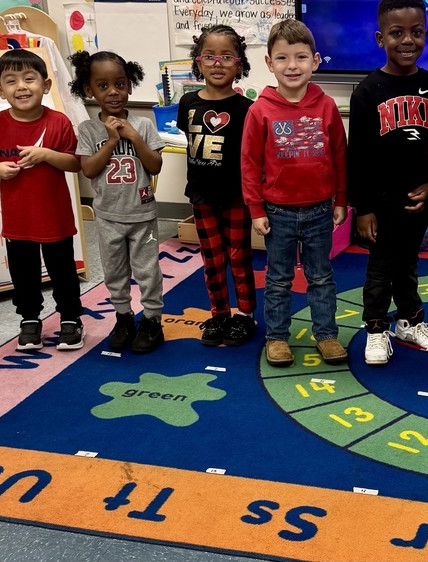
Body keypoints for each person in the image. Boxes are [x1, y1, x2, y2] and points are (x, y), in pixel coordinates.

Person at [348, 0, 428, 366]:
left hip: (418, 199)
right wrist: (362, 209)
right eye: (396, 33)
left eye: (417, 32)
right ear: (381, 39)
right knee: (380, 268)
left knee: (407, 265)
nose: (408, 41)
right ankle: (376, 328)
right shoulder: (366, 92)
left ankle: (409, 322)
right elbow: (356, 156)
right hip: (379, 203)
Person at [241, 19, 348, 368]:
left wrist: (341, 200)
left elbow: (340, 156)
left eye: (301, 57)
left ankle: (326, 334)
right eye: (283, 58)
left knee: (321, 277)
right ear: (269, 63)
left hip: (320, 210)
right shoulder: (261, 110)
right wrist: (256, 209)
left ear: (315, 61)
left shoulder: (327, 106)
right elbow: (249, 163)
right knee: (279, 279)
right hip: (278, 213)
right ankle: (276, 338)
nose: (292, 66)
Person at [0, 49, 84, 352]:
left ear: (45, 86)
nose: (21, 86)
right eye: (11, 81)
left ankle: (71, 318)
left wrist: (46, 154)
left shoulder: (59, 122)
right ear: (0, 90)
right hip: (17, 220)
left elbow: (75, 163)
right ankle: (30, 319)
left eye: (29, 79)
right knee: (24, 274)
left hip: (55, 217)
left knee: (63, 270)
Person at [70, 50, 165, 354]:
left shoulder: (144, 125)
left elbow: (155, 166)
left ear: (130, 85)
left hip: (143, 215)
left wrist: (134, 137)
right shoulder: (87, 129)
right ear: (89, 90)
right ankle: (123, 318)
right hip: (108, 216)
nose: (113, 92)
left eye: (120, 84)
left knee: (148, 270)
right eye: (103, 85)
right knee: (114, 271)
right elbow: (88, 169)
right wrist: (111, 141)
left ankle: (152, 321)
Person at [177, 25, 257, 347]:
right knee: (211, 259)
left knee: (238, 257)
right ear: (198, 62)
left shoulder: (246, 109)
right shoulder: (188, 103)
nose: (217, 63)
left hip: (236, 196)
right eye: (209, 56)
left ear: (239, 63)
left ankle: (245, 315)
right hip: (201, 195)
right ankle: (219, 313)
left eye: (226, 56)